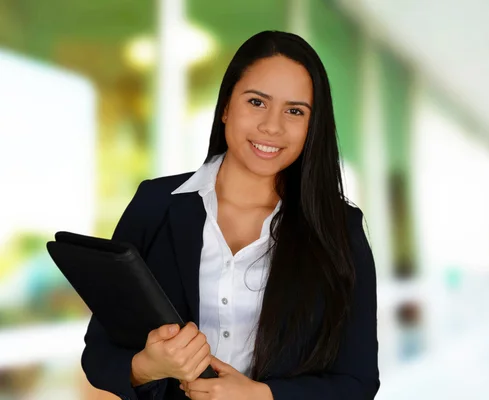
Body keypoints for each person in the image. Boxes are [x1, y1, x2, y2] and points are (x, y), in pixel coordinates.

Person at [81, 30, 379, 400]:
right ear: (225, 108)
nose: (272, 126)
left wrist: (260, 395)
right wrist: (149, 367)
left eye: (295, 111)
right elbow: (98, 352)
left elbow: (358, 382)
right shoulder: (155, 204)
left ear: (311, 126)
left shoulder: (339, 229)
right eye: (256, 102)